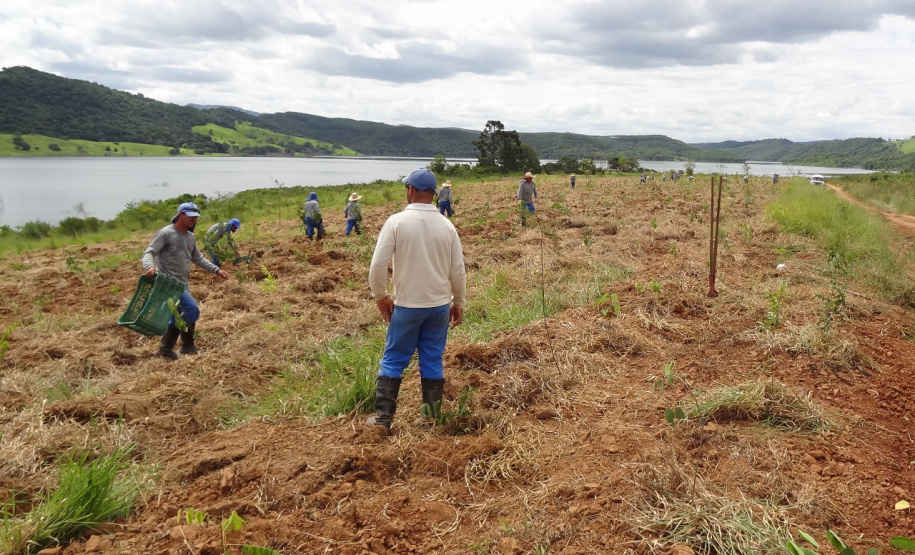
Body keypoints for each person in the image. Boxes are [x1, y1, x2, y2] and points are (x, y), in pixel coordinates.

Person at [366, 169, 466, 433]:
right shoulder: (447, 225)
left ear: (410, 189)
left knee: (394, 358)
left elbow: (377, 265)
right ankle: (431, 419)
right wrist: (459, 302)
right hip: (439, 306)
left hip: (408, 305)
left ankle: (383, 420)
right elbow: (458, 270)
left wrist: (380, 296)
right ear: (433, 193)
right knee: (432, 358)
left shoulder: (396, 222)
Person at [141, 202, 229, 360]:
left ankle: (176, 348)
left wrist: (216, 270)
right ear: (180, 215)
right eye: (190, 216)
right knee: (192, 310)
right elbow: (150, 252)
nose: (193, 220)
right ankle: (178, 346)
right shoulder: (166, 233)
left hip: (183, 283)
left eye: (195, 217)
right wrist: (149, 266)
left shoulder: (190, 237)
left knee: (179, 314)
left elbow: (198, 258)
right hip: (168, 283)